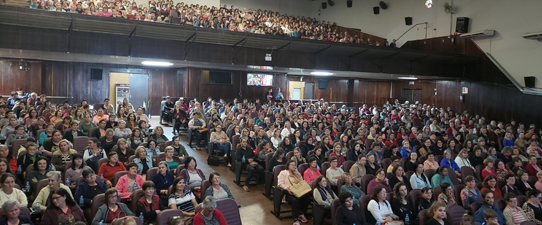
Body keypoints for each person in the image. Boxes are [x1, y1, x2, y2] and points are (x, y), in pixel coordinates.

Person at [277, 160, 310, 225]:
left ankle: (301, 213)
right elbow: (280, 183)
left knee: (307, 196)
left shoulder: (296, 173)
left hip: (298, 190)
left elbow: (301, 183)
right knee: (294, 200)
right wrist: (287, 189)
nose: (293, 166)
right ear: (288, 165)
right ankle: (295, 219)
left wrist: (299, 176)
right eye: (292, 164)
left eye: (294, 165)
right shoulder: (283, 172)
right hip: (288, 192)